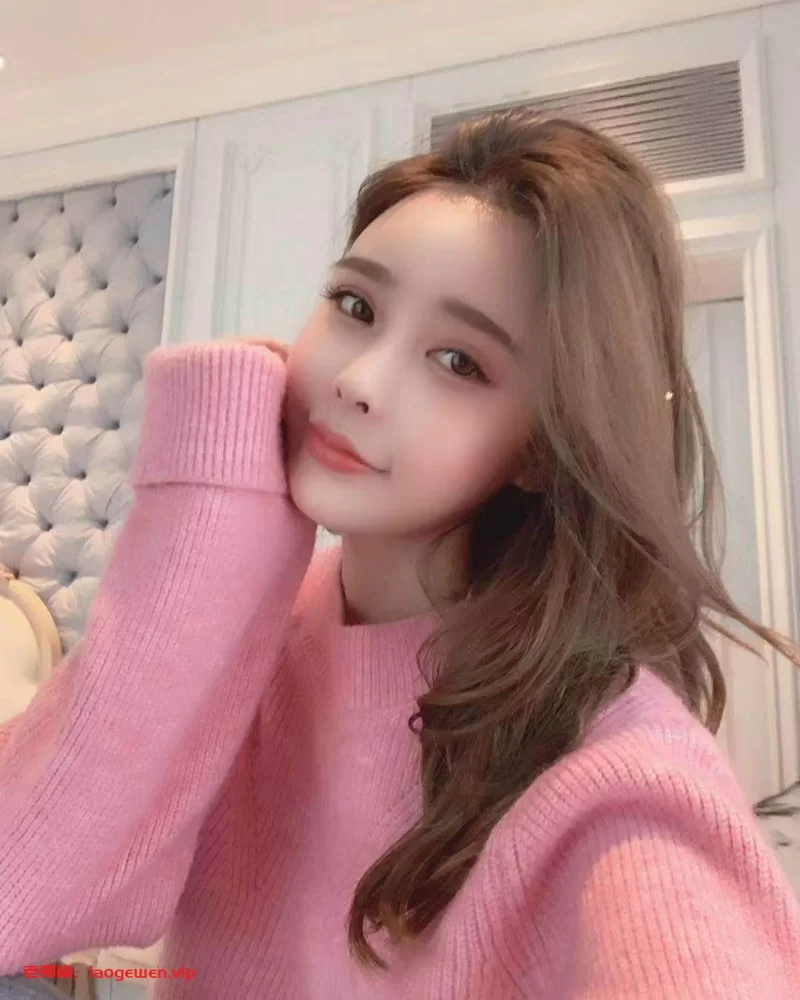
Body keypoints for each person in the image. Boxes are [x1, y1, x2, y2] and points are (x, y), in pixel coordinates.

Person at [0, 109, 798, 999]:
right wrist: (215, 504)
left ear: (542, 448)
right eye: (356, 306)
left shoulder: (618, 770)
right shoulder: (262, 625)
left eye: (459, 362)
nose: (359, 382)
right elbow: (28, 886)